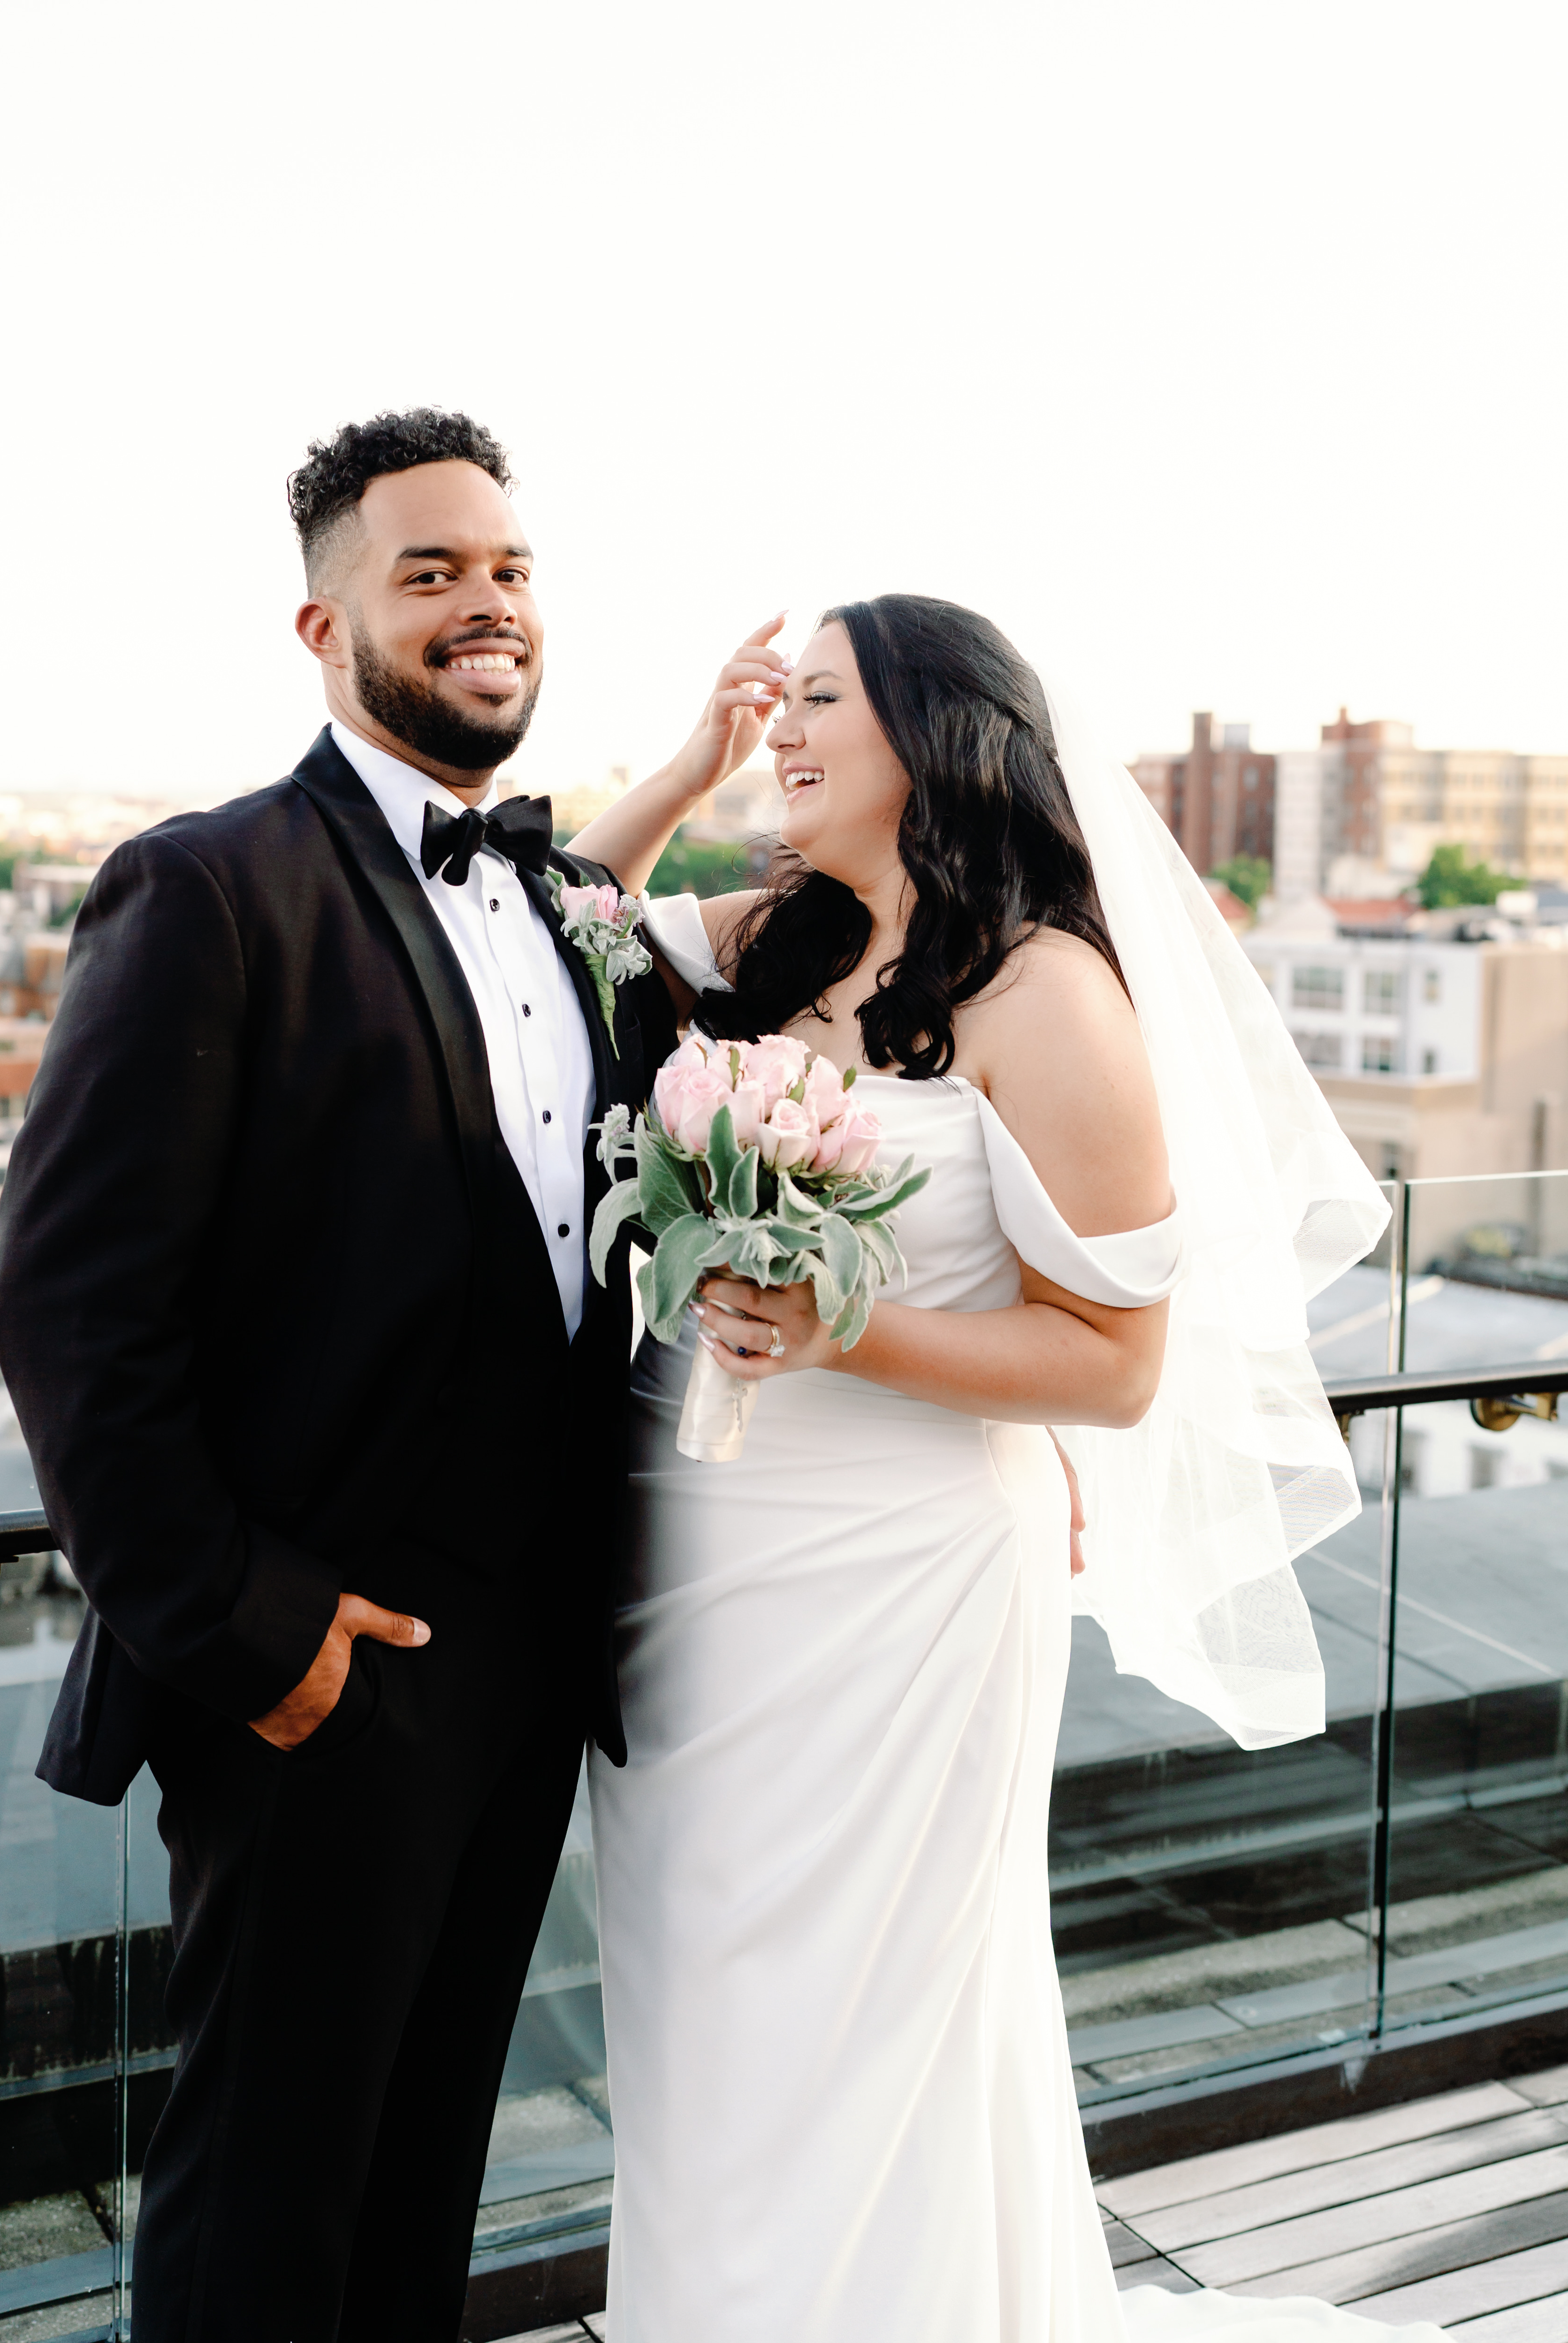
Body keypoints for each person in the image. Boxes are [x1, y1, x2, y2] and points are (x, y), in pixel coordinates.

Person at [0, 408, 778, 2343]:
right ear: (322, 626)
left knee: (426, 2178)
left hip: (525, 1681)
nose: (483, 603)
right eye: (428, 573)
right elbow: (71, 1310)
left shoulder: (553, 903)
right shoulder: (206, 891)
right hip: (314, 1676)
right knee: (265, 2198)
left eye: (507, 570)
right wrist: (253, 1637)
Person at [571, 595, 1439, 2342]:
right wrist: (685, 767)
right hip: (695, 1569)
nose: (785, 723)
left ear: (935, 734)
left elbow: (1116, 1369)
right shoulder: (768, 941)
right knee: (699, 2006)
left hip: (901, 1579)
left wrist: (839, 1331)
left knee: (876, 2015)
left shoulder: (1044, 990)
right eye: (778, 695)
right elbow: (548, 921)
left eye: (824, 699)